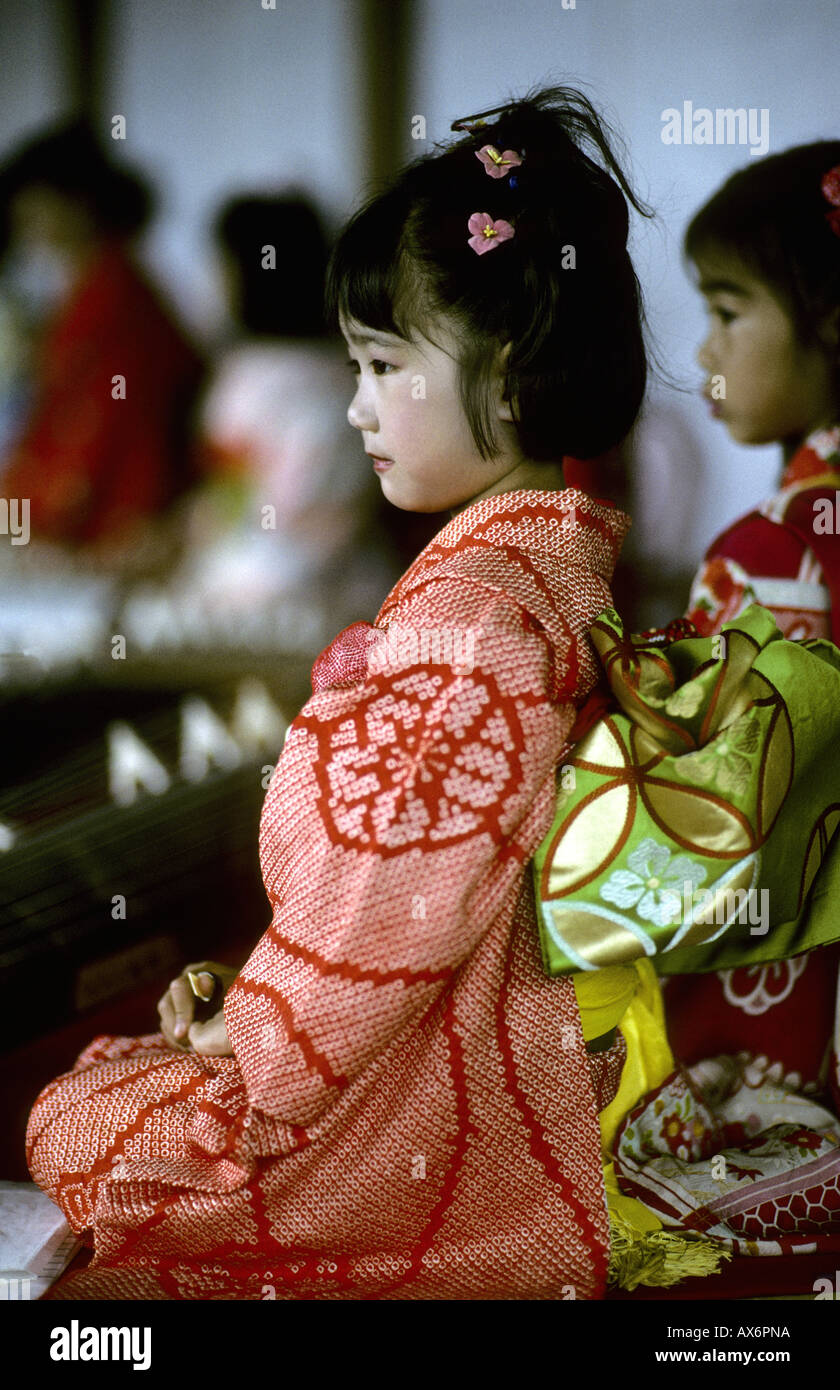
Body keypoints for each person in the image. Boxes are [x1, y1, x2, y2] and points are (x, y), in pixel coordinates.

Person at [27, 87, 654, 1300]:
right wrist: (252, 990)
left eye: (381, 366)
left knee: (77, 1117)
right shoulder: (535, 570)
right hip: (443, 1023)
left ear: (512, 374)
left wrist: (249, 1030)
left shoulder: (477, 618)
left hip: (426, 1088)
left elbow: (384, 914)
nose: (357, 405)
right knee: (112, 1083)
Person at [665, 143, 840, 1154]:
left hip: (797, 1006)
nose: (704, 353)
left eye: (728, 313)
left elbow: (714, 809)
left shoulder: (772, 557)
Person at [0, 119, 203, 560]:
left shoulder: (113, 295)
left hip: (121, 507)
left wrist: (24, 511)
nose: (27, 225)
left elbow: (103, 424)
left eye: (37, 208)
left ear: (79, 204)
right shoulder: (96, 286)